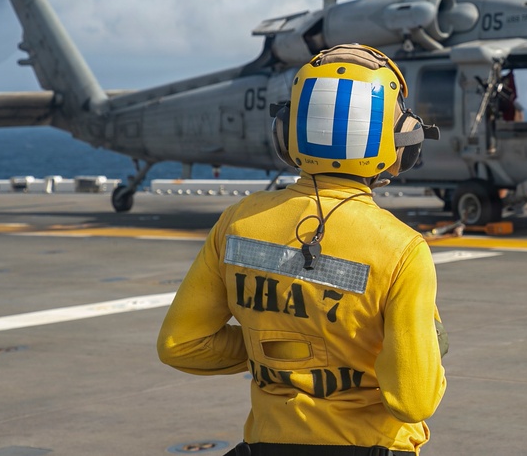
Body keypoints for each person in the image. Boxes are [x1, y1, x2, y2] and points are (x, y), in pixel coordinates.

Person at [157, 44, 447, 456]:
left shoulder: (237, 222)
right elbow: (413, 400)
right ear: (400, 145)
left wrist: (275, 349)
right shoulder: (402, 249)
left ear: (286, 132)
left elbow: (180, 344)